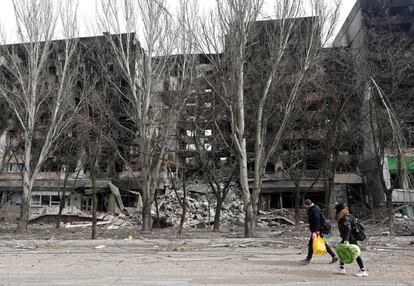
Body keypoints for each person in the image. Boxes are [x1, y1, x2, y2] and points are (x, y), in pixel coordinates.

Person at [334, 202, 368, 277]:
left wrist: (346, 240)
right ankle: (341, 268)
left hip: (350, 238)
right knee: (342, 251)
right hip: (348, 237)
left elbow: (348, 228)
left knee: (355, 253)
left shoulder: (345, 218)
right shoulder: (347, 216)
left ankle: (362, 270)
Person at [301, 199, 338, 264]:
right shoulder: (313, 208)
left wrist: (317, 230)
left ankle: (308, 259)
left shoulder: (314, 209)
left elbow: (317, 220)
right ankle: (333, 256)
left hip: (318, 229)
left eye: (305, 205)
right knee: (317, 243)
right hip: (316, 229)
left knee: (312, 244)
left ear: (307, 204)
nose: (304, 206)